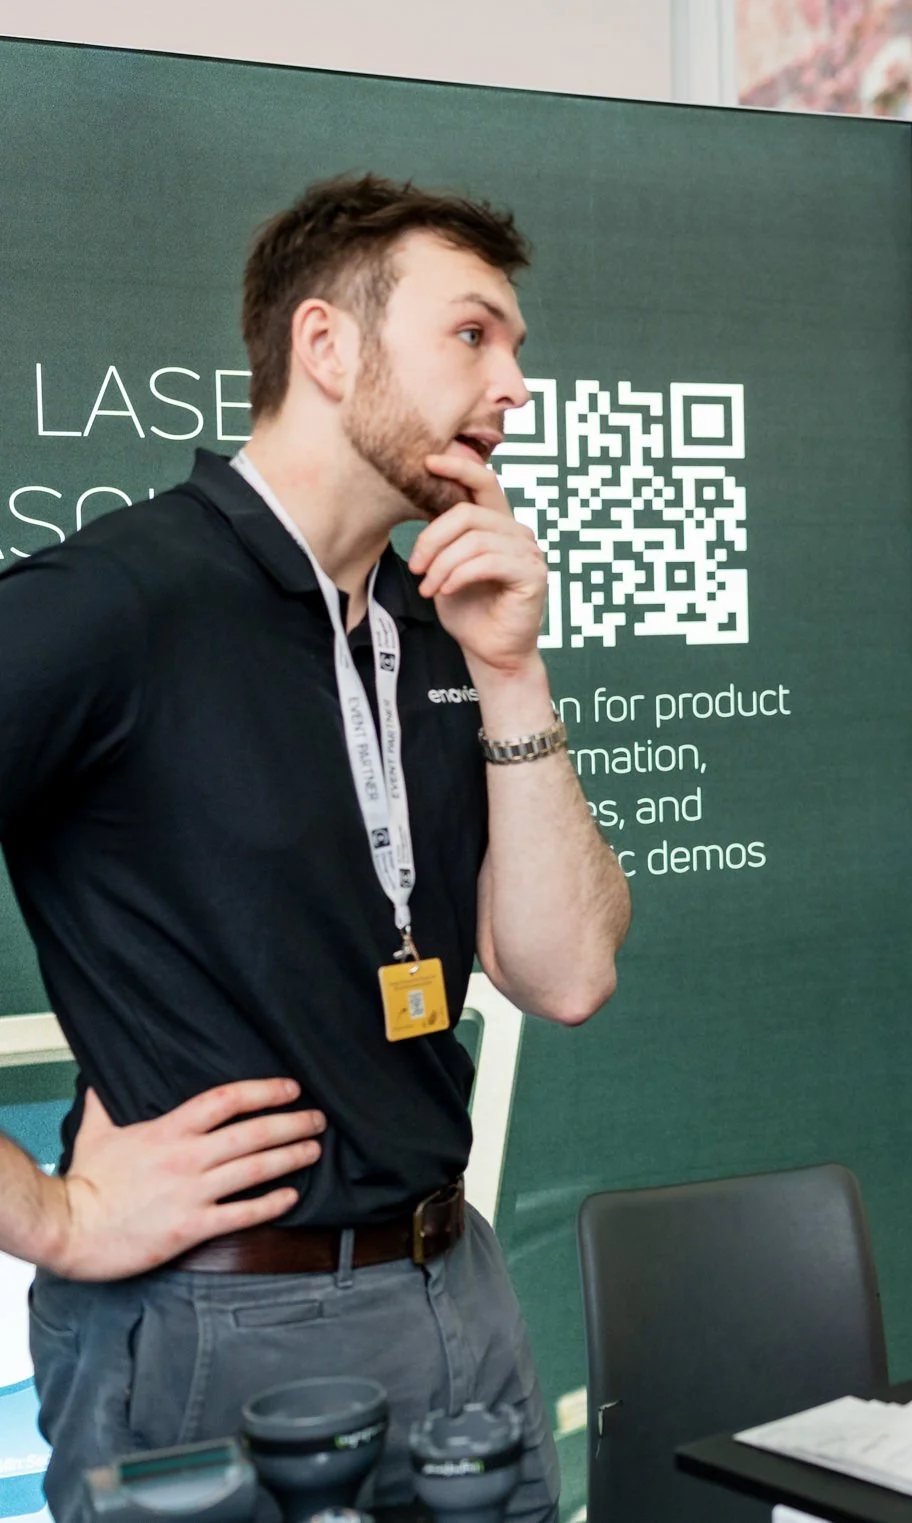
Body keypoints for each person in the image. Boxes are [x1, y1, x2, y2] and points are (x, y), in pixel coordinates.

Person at [0, 175, 630, 1518]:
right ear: (328, 346)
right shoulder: (118, 599)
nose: (515, 383)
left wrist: (514, 673)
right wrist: (48, 1215)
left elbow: (567, 972)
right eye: (475, 334)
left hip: (456, 1289)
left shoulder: (442, 620)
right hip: (214, 1324)